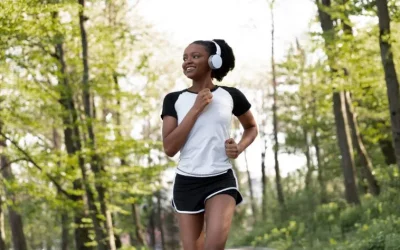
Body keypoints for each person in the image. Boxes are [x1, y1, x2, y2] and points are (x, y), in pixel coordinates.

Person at [160, 39, 258, 250]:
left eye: (196, 56)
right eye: (185, 58)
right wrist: (196, 109)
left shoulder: (231, 96)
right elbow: (169, 148)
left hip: (220, 179)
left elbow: (251, 127)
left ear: (213, 61)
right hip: (187, 182)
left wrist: (239, 147)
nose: (188, 61)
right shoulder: (173, 99)